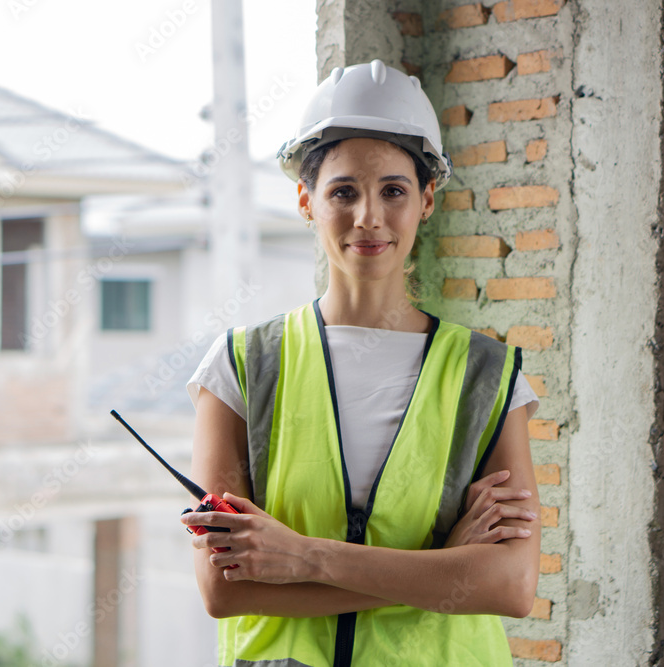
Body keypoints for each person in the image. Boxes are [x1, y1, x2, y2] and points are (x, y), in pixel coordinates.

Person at [183, 59, 541, 667]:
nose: (368, 217)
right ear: (306, 201)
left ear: (426, 200)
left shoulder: (486, 376)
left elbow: (510, 585)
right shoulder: (243, 366)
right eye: (343, 191)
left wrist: (302, 558)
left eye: (393, 191)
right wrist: (441, 570)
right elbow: (225, 588)